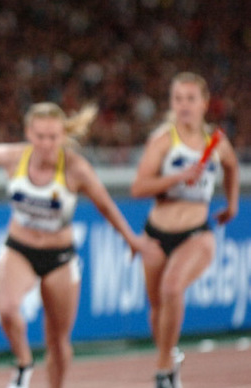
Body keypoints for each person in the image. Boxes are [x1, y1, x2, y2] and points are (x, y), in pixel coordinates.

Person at [0, 102, 155, 388]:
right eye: (40, 136)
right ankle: (23, 364)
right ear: (29, 133)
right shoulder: (15, 158)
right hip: (20, 248)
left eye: (53, 137)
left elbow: (105, 205)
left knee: (58, 341)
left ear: (62, 136)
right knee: (7, 309)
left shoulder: (76, 168)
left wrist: (131, 238)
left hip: (61, 257)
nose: (45, 143)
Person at [131, 72, 239, 388]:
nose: (184, 105)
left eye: (191, 99)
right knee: (157, 311)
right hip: (156, 232)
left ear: (205, 103)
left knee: (172, 287)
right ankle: (171, 358)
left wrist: (231, 205)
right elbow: (138, 187)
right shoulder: (164, 140)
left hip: (196, 233)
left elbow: (232, 167)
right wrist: (178, 178)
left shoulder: (216, 142)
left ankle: (163, 370)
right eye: (178, 99)